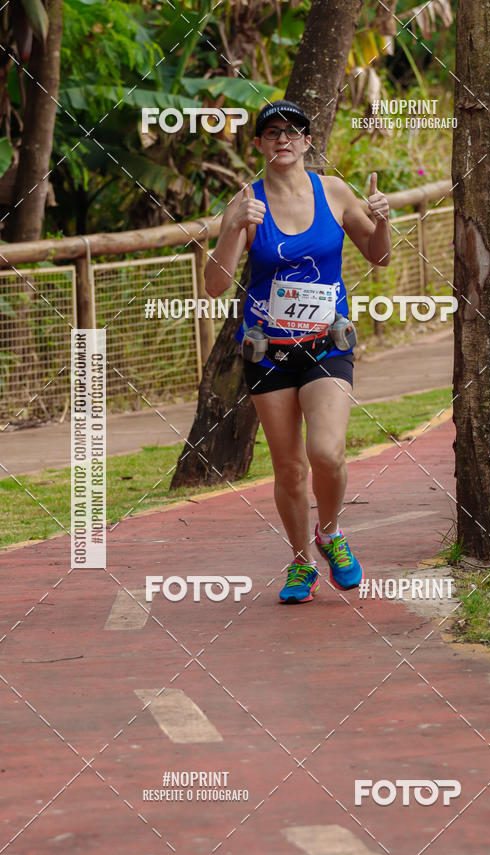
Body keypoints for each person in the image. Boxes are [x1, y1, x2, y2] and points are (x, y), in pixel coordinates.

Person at [205, 100, 391, 604]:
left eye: (292, 132)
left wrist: (382, 220)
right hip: (267, 351)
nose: (282, 139)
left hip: (326, 343)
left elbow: (377, 255)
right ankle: (300, 561)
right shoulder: (247, 203)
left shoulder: (333, 191)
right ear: (261, 145)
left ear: (308, 142)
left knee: (326, 452)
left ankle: (329, 534)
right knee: (288, 468)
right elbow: (214, 285)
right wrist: (230, 229)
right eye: (271, 133)